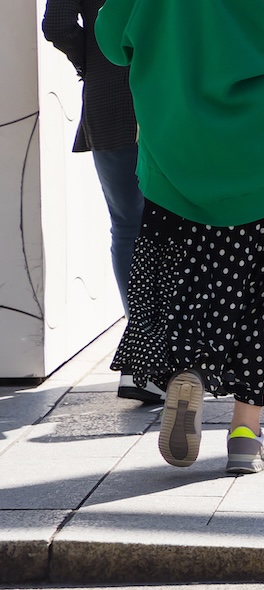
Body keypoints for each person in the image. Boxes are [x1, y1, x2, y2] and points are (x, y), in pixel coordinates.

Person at [95, 0, 264, 473]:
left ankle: (190, 370)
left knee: (185, 278)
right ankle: (245, 436)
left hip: (175, 146)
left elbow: (111, 40)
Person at [41, 0, 160, 404]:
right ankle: (169, 354)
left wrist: (91, 59)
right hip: (167, 96)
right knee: (176, 223)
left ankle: (141, 358)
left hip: (108, 97)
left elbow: (56, 24)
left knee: (127, 226)